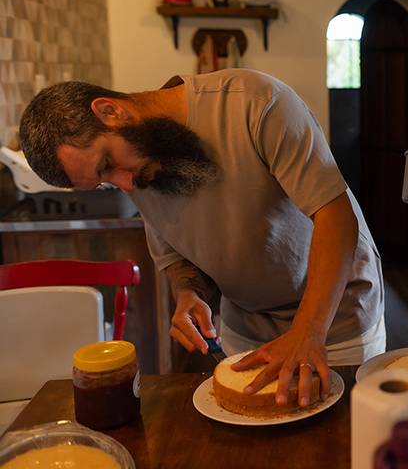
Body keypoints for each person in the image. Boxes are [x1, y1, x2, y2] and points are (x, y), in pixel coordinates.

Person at [19, 68, 385, 408]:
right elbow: (176, 257)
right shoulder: (136, 167)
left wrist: (309, 330)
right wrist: (189, 294)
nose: (125, 184)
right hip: (247, 330)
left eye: (108, 164)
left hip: (334, 322)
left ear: (111, 111)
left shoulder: (255, 103)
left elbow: (335, 215)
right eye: (104, 181)